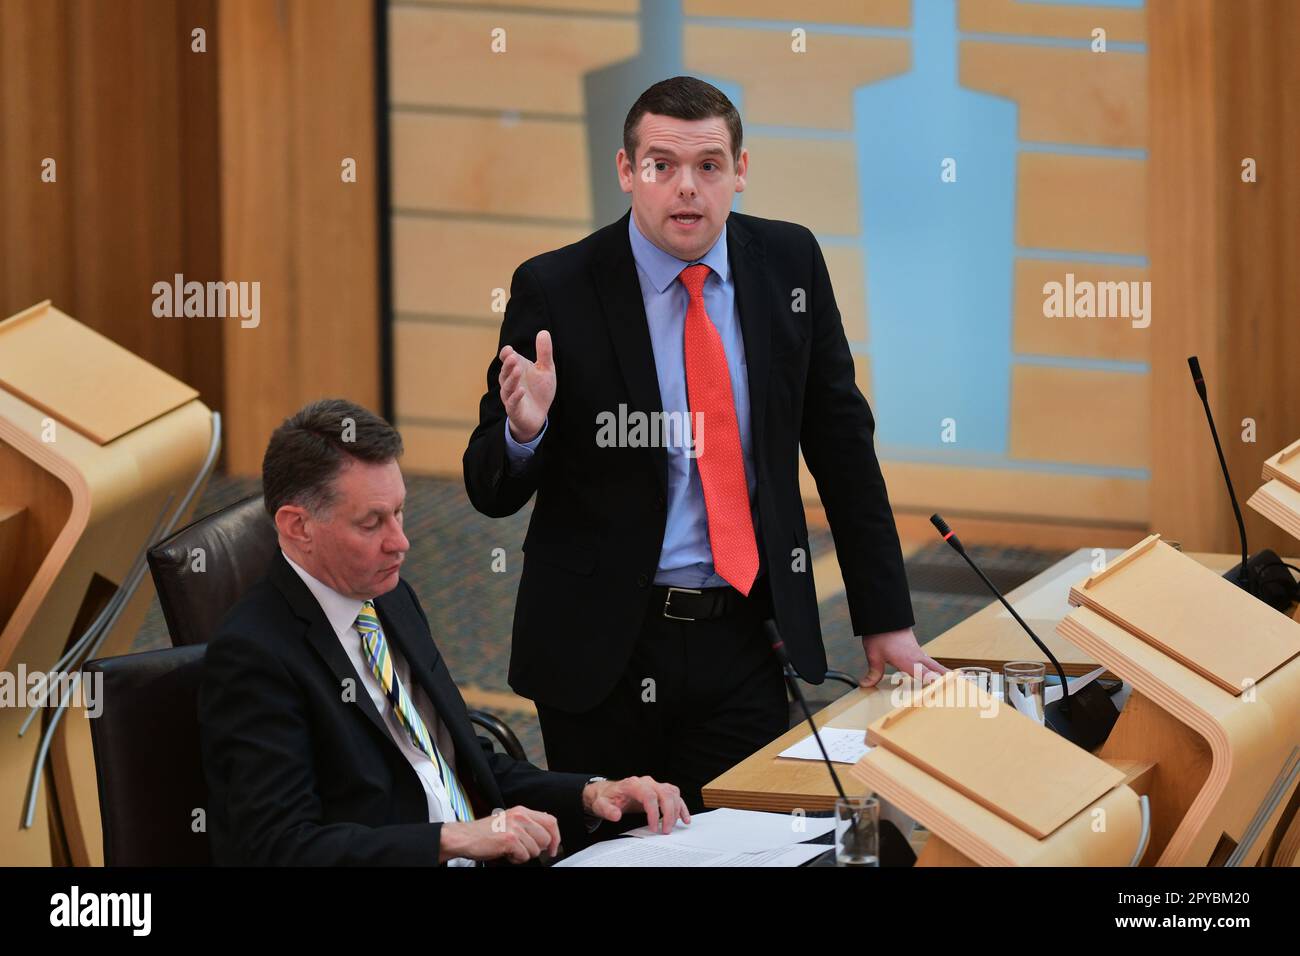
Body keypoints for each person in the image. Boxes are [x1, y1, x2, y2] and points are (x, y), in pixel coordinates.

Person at [463, 76, 947, 810]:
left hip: (743, 636)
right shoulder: (556, 288)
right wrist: (525, 432)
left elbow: (842, 446)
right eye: (661, 166)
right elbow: (487, 486)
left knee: (748, 842)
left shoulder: (789, 265)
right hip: (603, 651)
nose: (686, 189)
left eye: (709, 166)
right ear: (627, 173)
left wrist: (886, 621)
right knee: (619, 854)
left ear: (741, 171)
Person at [199, 398, 687, 866]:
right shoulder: (254, 656)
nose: (401, 542)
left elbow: (463, 763)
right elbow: (280, 849)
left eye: (401, 512)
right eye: (372, 523)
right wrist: (453, 840)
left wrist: (591, 793)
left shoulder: (389, 597)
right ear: (297, 527)